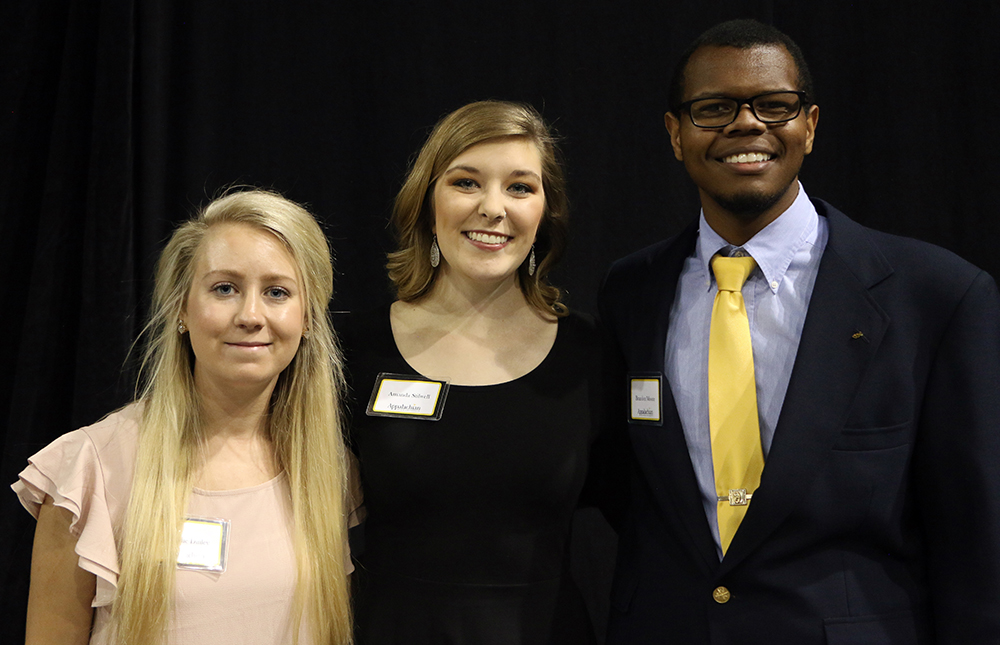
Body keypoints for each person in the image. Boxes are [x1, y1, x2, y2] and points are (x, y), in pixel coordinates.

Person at [599, 19, 1000, 644]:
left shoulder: (937, 295)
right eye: (714, 109)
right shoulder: (629, 292)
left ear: (808, 125)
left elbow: (973, 534)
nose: (747, 124)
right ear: (676, 135)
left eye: (774, 105)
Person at [13, 190, 356, 644]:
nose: (251, 315)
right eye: (224, 288)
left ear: (308, 317)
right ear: (181, 307)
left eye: (277, 292)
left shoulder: (331, 470)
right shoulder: (89, 469)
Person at [340, 100, 612, 644]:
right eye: (467, 182)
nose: (494, 208)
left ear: (545, 212)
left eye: (520, 187)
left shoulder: (593, 355)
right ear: (427, 202)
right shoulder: (350, 350)